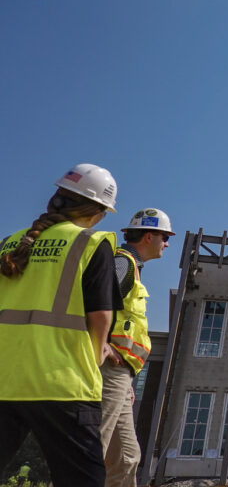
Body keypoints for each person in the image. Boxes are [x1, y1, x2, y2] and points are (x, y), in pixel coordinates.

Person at [0, 163, 122, 487]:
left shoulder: (9, 243)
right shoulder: (90, 242)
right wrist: (95, 357)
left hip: (5, 379)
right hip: (63, 383)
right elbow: (101, 317)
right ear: (96, 210)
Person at [100, 208, 174, 487]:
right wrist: (103, 345)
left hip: (120, 374)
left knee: (127, 457)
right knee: (93, 450)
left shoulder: (131, 267)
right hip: (106, 368)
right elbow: (96, 302)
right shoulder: (123, 263)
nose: (166, 243)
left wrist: (128, 376)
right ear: (148, 235)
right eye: (164, 237)